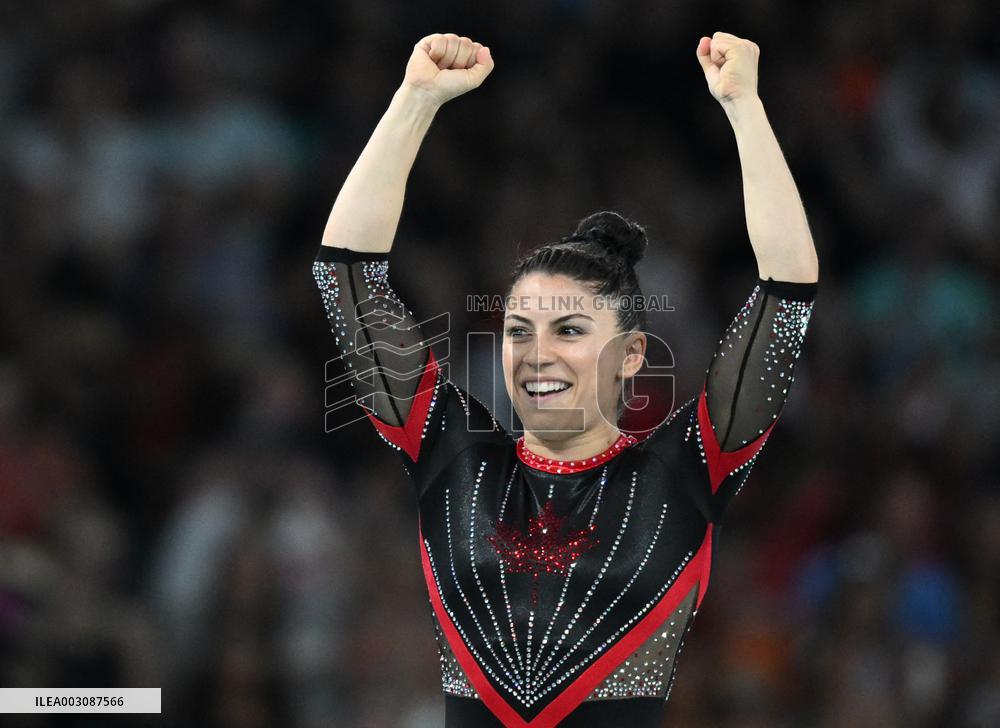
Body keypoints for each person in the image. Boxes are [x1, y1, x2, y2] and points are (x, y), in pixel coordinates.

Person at [312, 31, 819, 728]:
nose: (536, 353)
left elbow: (785, 295)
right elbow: (346, 278)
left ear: (633, 353)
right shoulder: (453, 455)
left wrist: (743, 107)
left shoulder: (686, 472)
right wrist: (414, 101)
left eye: (569, 331)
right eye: (519, 330)